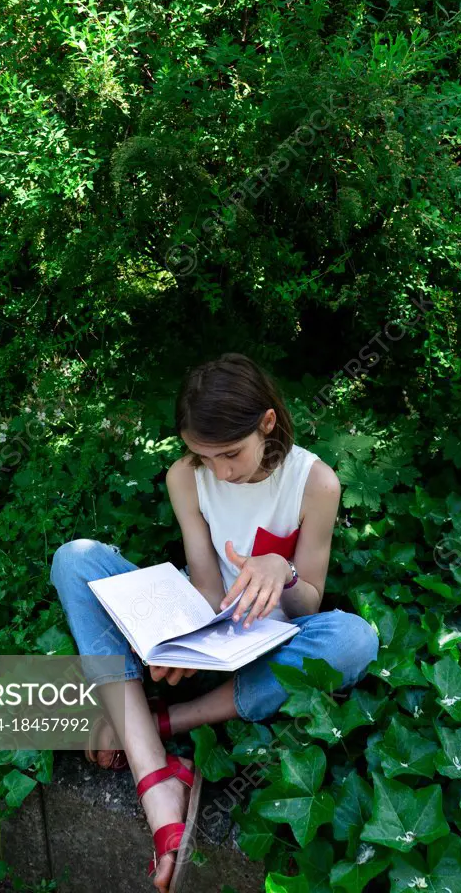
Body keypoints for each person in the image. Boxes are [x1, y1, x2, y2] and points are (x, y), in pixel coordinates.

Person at [50, 352, 379, 892]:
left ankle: (160, 727)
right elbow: (205, 584)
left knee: (354, 639)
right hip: (209, 632)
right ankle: (156, 774)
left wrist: (283, 571)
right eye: (205, 456)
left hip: (275, 644)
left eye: (230, 453)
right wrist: (179, 643)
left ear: (266, 423)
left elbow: (309, 607)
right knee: (75, 558)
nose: (221, 471)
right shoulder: (187, 476)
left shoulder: (314, 483)